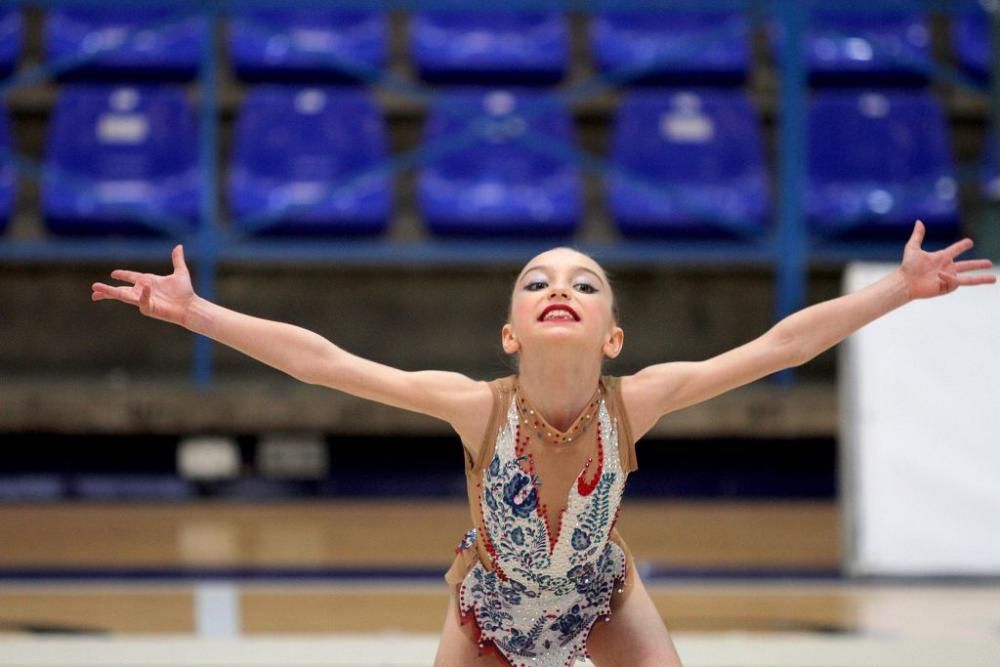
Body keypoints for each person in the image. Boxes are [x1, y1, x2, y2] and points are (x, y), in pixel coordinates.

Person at [92, 220, 994, 666]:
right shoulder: (475, 408)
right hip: (489, 606)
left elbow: (780, 346)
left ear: (612, 336)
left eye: (585, 282)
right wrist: (196, 310)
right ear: (510, 334)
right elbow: (324, 362)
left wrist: (898, 292)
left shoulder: (634, 402)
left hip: (603, 592)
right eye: (537, 281)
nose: (559, 286)